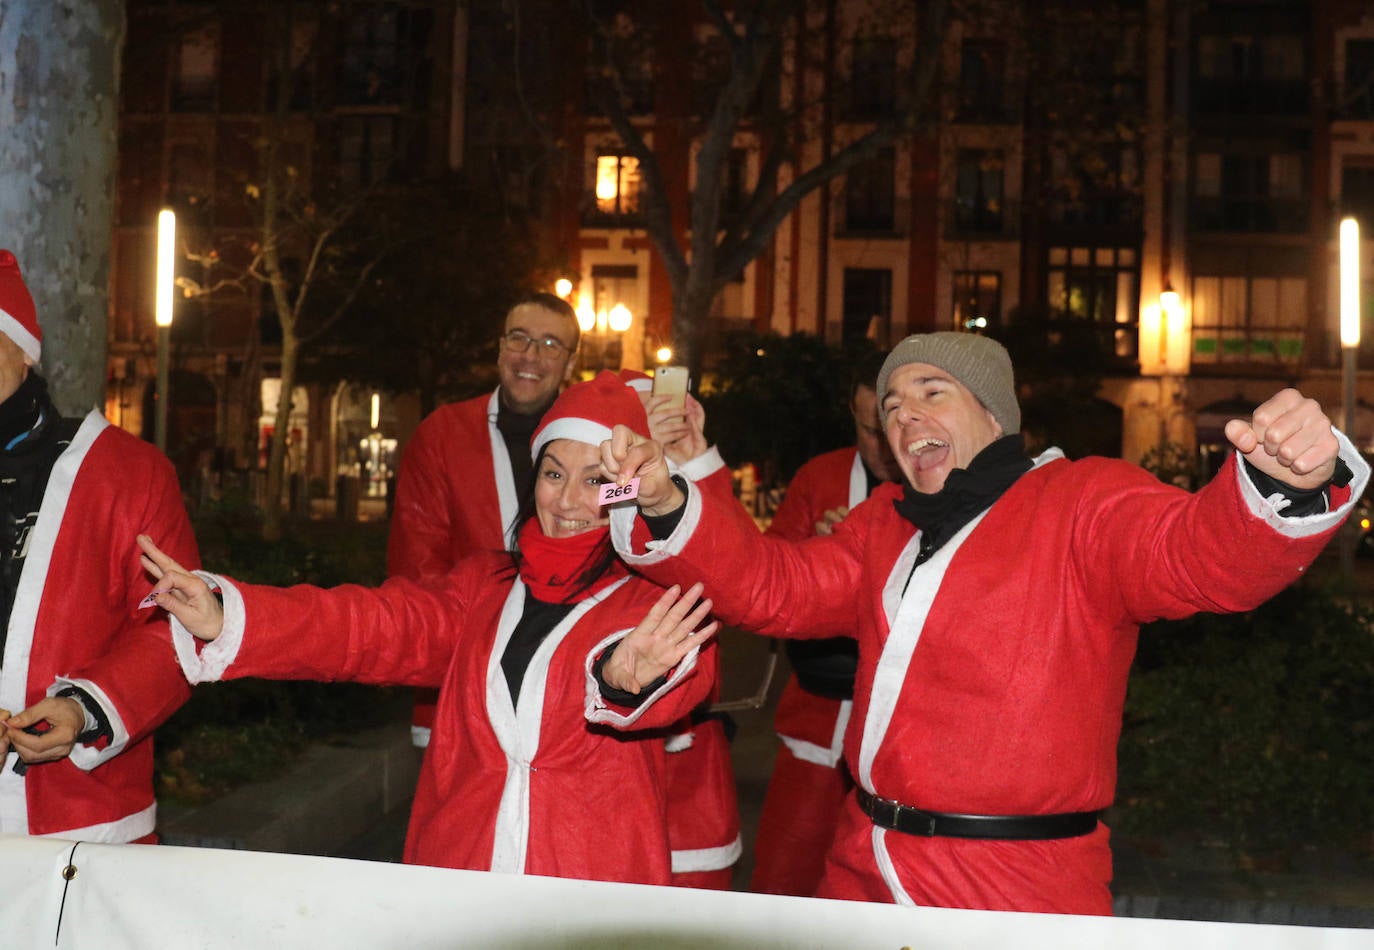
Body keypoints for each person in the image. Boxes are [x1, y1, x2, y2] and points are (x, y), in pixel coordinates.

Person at [599, 331, 1368, 915]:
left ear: (993, 412)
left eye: (931, 392)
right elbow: (772, 585)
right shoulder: (885, 523)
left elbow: (1198, 554)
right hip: (862, 864)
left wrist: (1288, 483)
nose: (905, 416)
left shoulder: (1082, 501)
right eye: (891, 407)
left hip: (1017, 886)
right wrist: (665, 500)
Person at [144, 372, 721, 885]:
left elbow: (696, 661)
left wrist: (623, 681)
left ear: (626, 490)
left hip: (585, 898)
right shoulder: (483, 586)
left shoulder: (653, 597)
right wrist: (230, 613)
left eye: (596, 480)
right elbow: (367, 628)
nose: (567, 499)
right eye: (553, 473)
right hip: (456, 882)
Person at [0, 249, 200, 843]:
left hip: (82, 829)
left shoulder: (128, 474)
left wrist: (84, 708)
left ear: (24, 348)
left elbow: (176, 628)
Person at [387, 292, 580, 747]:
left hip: (573, 673)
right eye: (520, 338)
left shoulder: (594, 436)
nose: (531, 356)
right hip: (468, 671)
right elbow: (418, 565)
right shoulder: (442, 435)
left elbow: (621, 520)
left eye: (550, 344)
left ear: (571, 363)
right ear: (500, 348)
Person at [750, 351, 900, 897]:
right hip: (816, 722)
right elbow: (764, 577)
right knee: (783, 885)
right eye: (869, 429)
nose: (883, 445)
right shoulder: (821, 476)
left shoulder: (943, 487)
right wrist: (815, 556)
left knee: (879, 899)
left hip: (900, 745)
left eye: (892, 427)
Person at [625, 370, 743, 890]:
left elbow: (738, 570)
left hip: (692, 741)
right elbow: (594, 506)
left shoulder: (689, 482)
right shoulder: (597, 485)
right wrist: (639, 463)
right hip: (613, 737)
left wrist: (696, 459)